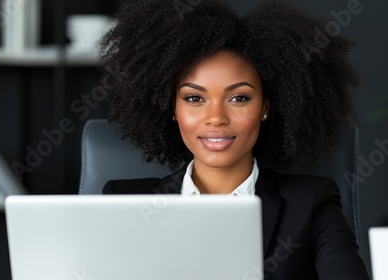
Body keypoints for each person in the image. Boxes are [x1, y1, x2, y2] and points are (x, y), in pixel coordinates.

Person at [99, 0, 369, 279]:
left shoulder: (310, 203)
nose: (216, 117)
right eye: (194, 98)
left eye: (239, 98)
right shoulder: (124, 201)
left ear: (266, 106)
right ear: (172, 109)